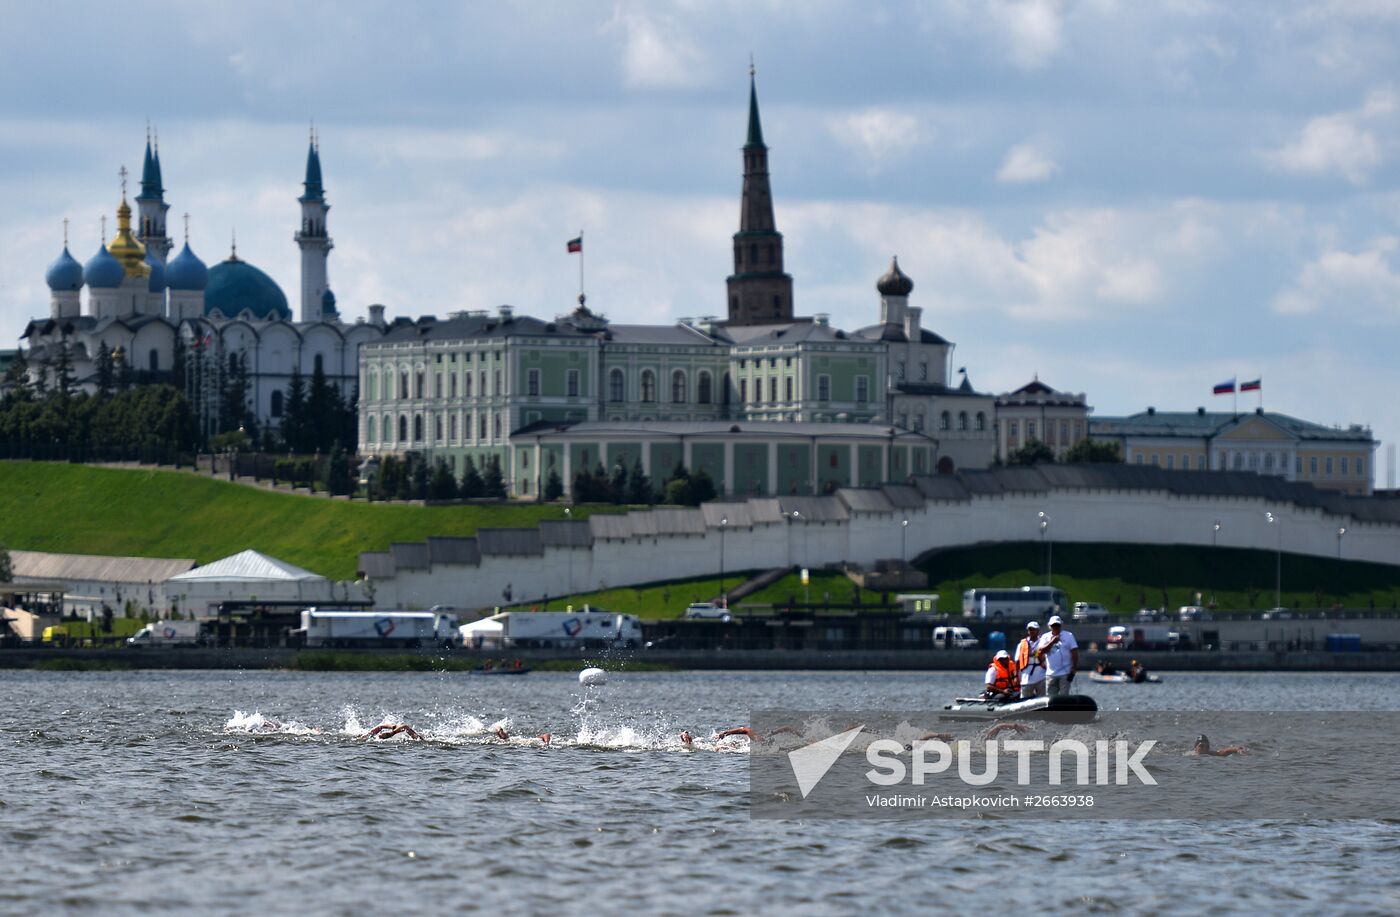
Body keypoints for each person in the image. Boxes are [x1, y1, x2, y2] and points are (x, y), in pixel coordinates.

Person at [1036, 615, 1079, 696]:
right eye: (1053, 625)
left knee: (1064, 697)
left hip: (1065, 673)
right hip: (1051, 674)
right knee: (1051, 698)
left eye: (1057, 625)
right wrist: (1052, 642)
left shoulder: (1069, 635)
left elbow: (1074, 651)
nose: (1055, 627)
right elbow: (1040, 651)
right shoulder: (1045, 637)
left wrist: (1074, 668)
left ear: (1061, 625)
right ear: (1050, 626)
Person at [1015, 621, 1047, 699]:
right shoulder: (1021, 644)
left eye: (1034, 629)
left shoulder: (1044, 642)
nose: (1031, 631)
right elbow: (1017, 660)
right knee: (1024, 699)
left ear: (1038, 630)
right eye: (1030, 629)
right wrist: (1016, 676)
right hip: (1026, 677)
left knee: (1043, 698)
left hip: (1041, 676)